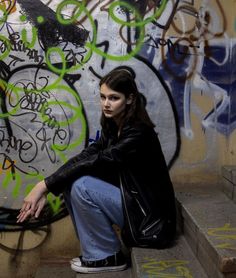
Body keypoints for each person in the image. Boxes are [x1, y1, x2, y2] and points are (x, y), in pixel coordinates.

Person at [17, 67, 176, 274]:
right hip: (136, 206)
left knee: (82, 185)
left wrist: (43, 186)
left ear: (129, 99)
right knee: (71, 182)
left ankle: (107, 256)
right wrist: (47, 184)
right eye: (102, 97)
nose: (106, 104)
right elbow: (86, 156)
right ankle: (99, 252)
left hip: (151, 220)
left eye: (113, 98)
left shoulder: (138, 133)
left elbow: (97, 161)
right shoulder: (115, 126)